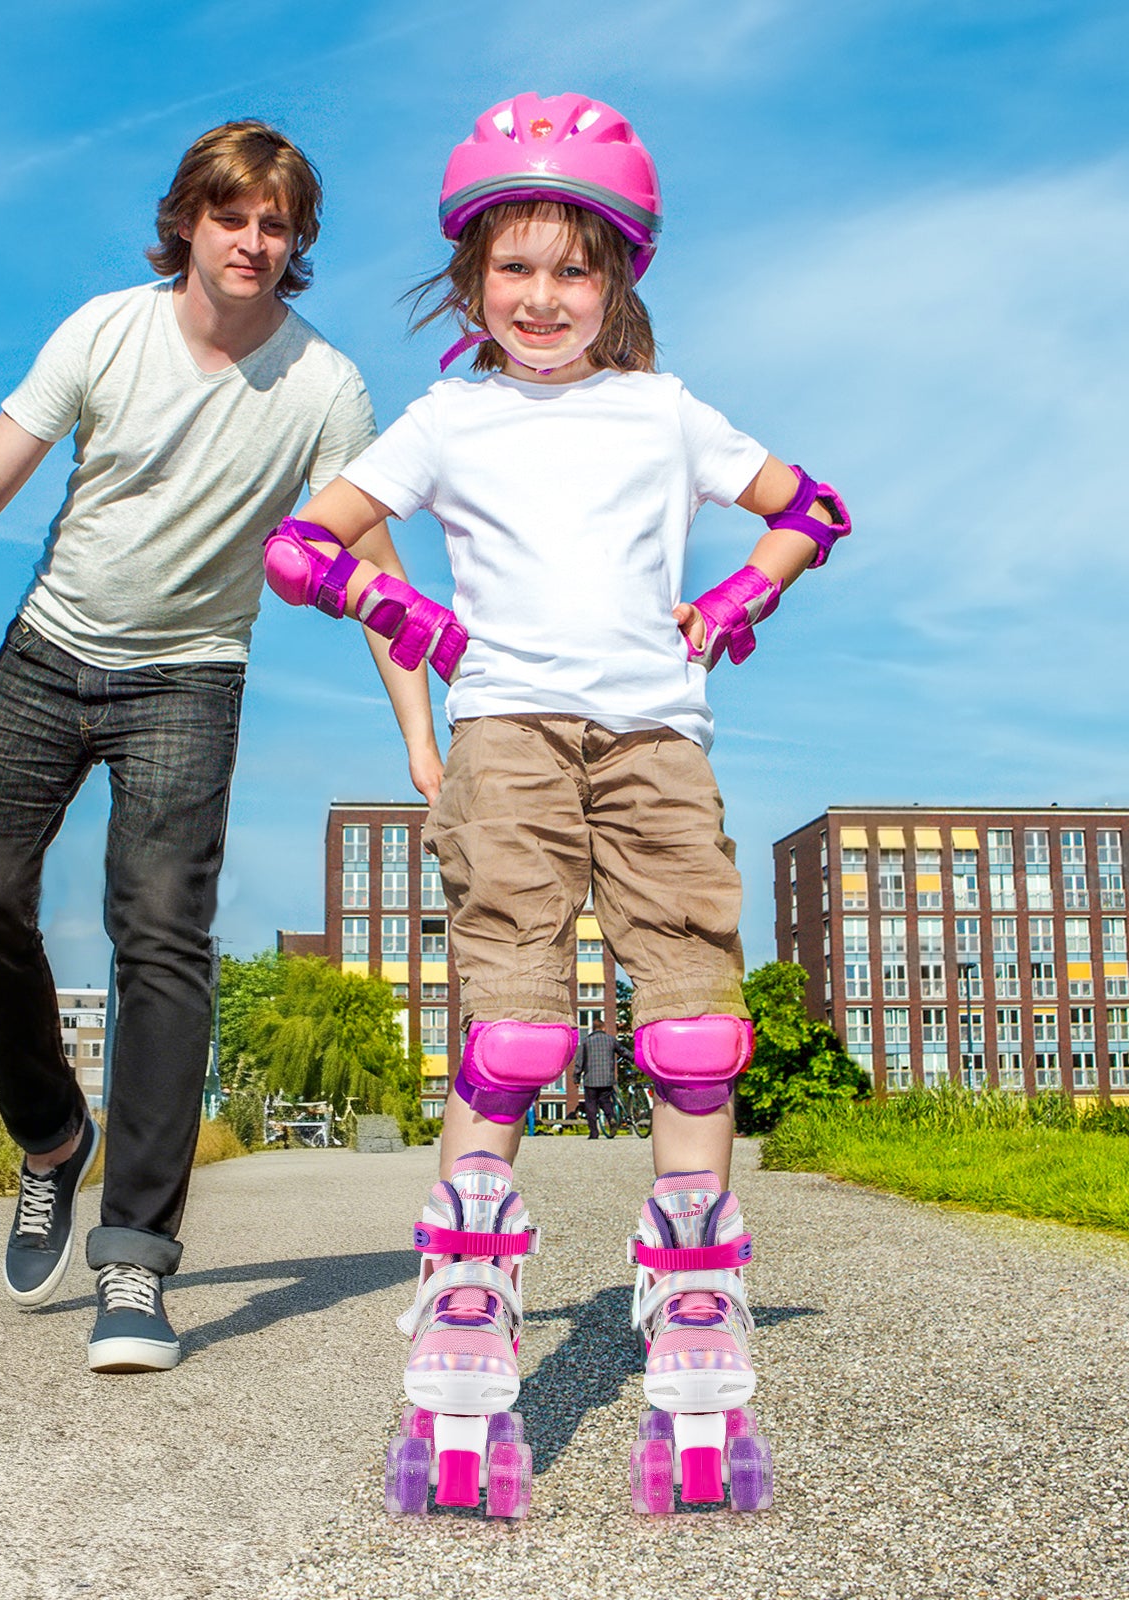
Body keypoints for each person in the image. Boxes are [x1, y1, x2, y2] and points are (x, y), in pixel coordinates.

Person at [260, 92, 849, 1513]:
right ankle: (467, 1290)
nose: (541, 296)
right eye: (512, 267)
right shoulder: (446, 419)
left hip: (656, 736)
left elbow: (812, 507)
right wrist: (416, 619)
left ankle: (695, 1299)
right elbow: (300, 549)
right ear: (471, 276)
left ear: (618, 278)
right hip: (508, 737)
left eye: (572, 268)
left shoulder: (667, 411)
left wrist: (738, 592)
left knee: (696, 1026)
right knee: (518, 1029)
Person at [0, 121, 432, 1374]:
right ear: (190, 224)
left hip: (191, 679)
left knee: (161, 937)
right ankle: (51, 1135)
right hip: (48, 652)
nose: (252, 243)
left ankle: (136, 1265)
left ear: (295, 242)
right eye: (232, 218)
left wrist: (423, 740)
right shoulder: (104, 331)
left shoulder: (326, 389)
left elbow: (372, 568)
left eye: (276, 225)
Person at [573, 1027, 623, 1138]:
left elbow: (579, 1061)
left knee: (591, 1106)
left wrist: (576, 1077)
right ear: (604, 1028)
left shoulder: (586, 1041)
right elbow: (623, 1051)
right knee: (605, 1101)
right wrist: (634, 1058)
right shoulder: (611, 1040)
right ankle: (611, 1118)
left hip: (590, 1080)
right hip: (607, 1079)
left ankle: (594, 1133)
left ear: (593, 1029)